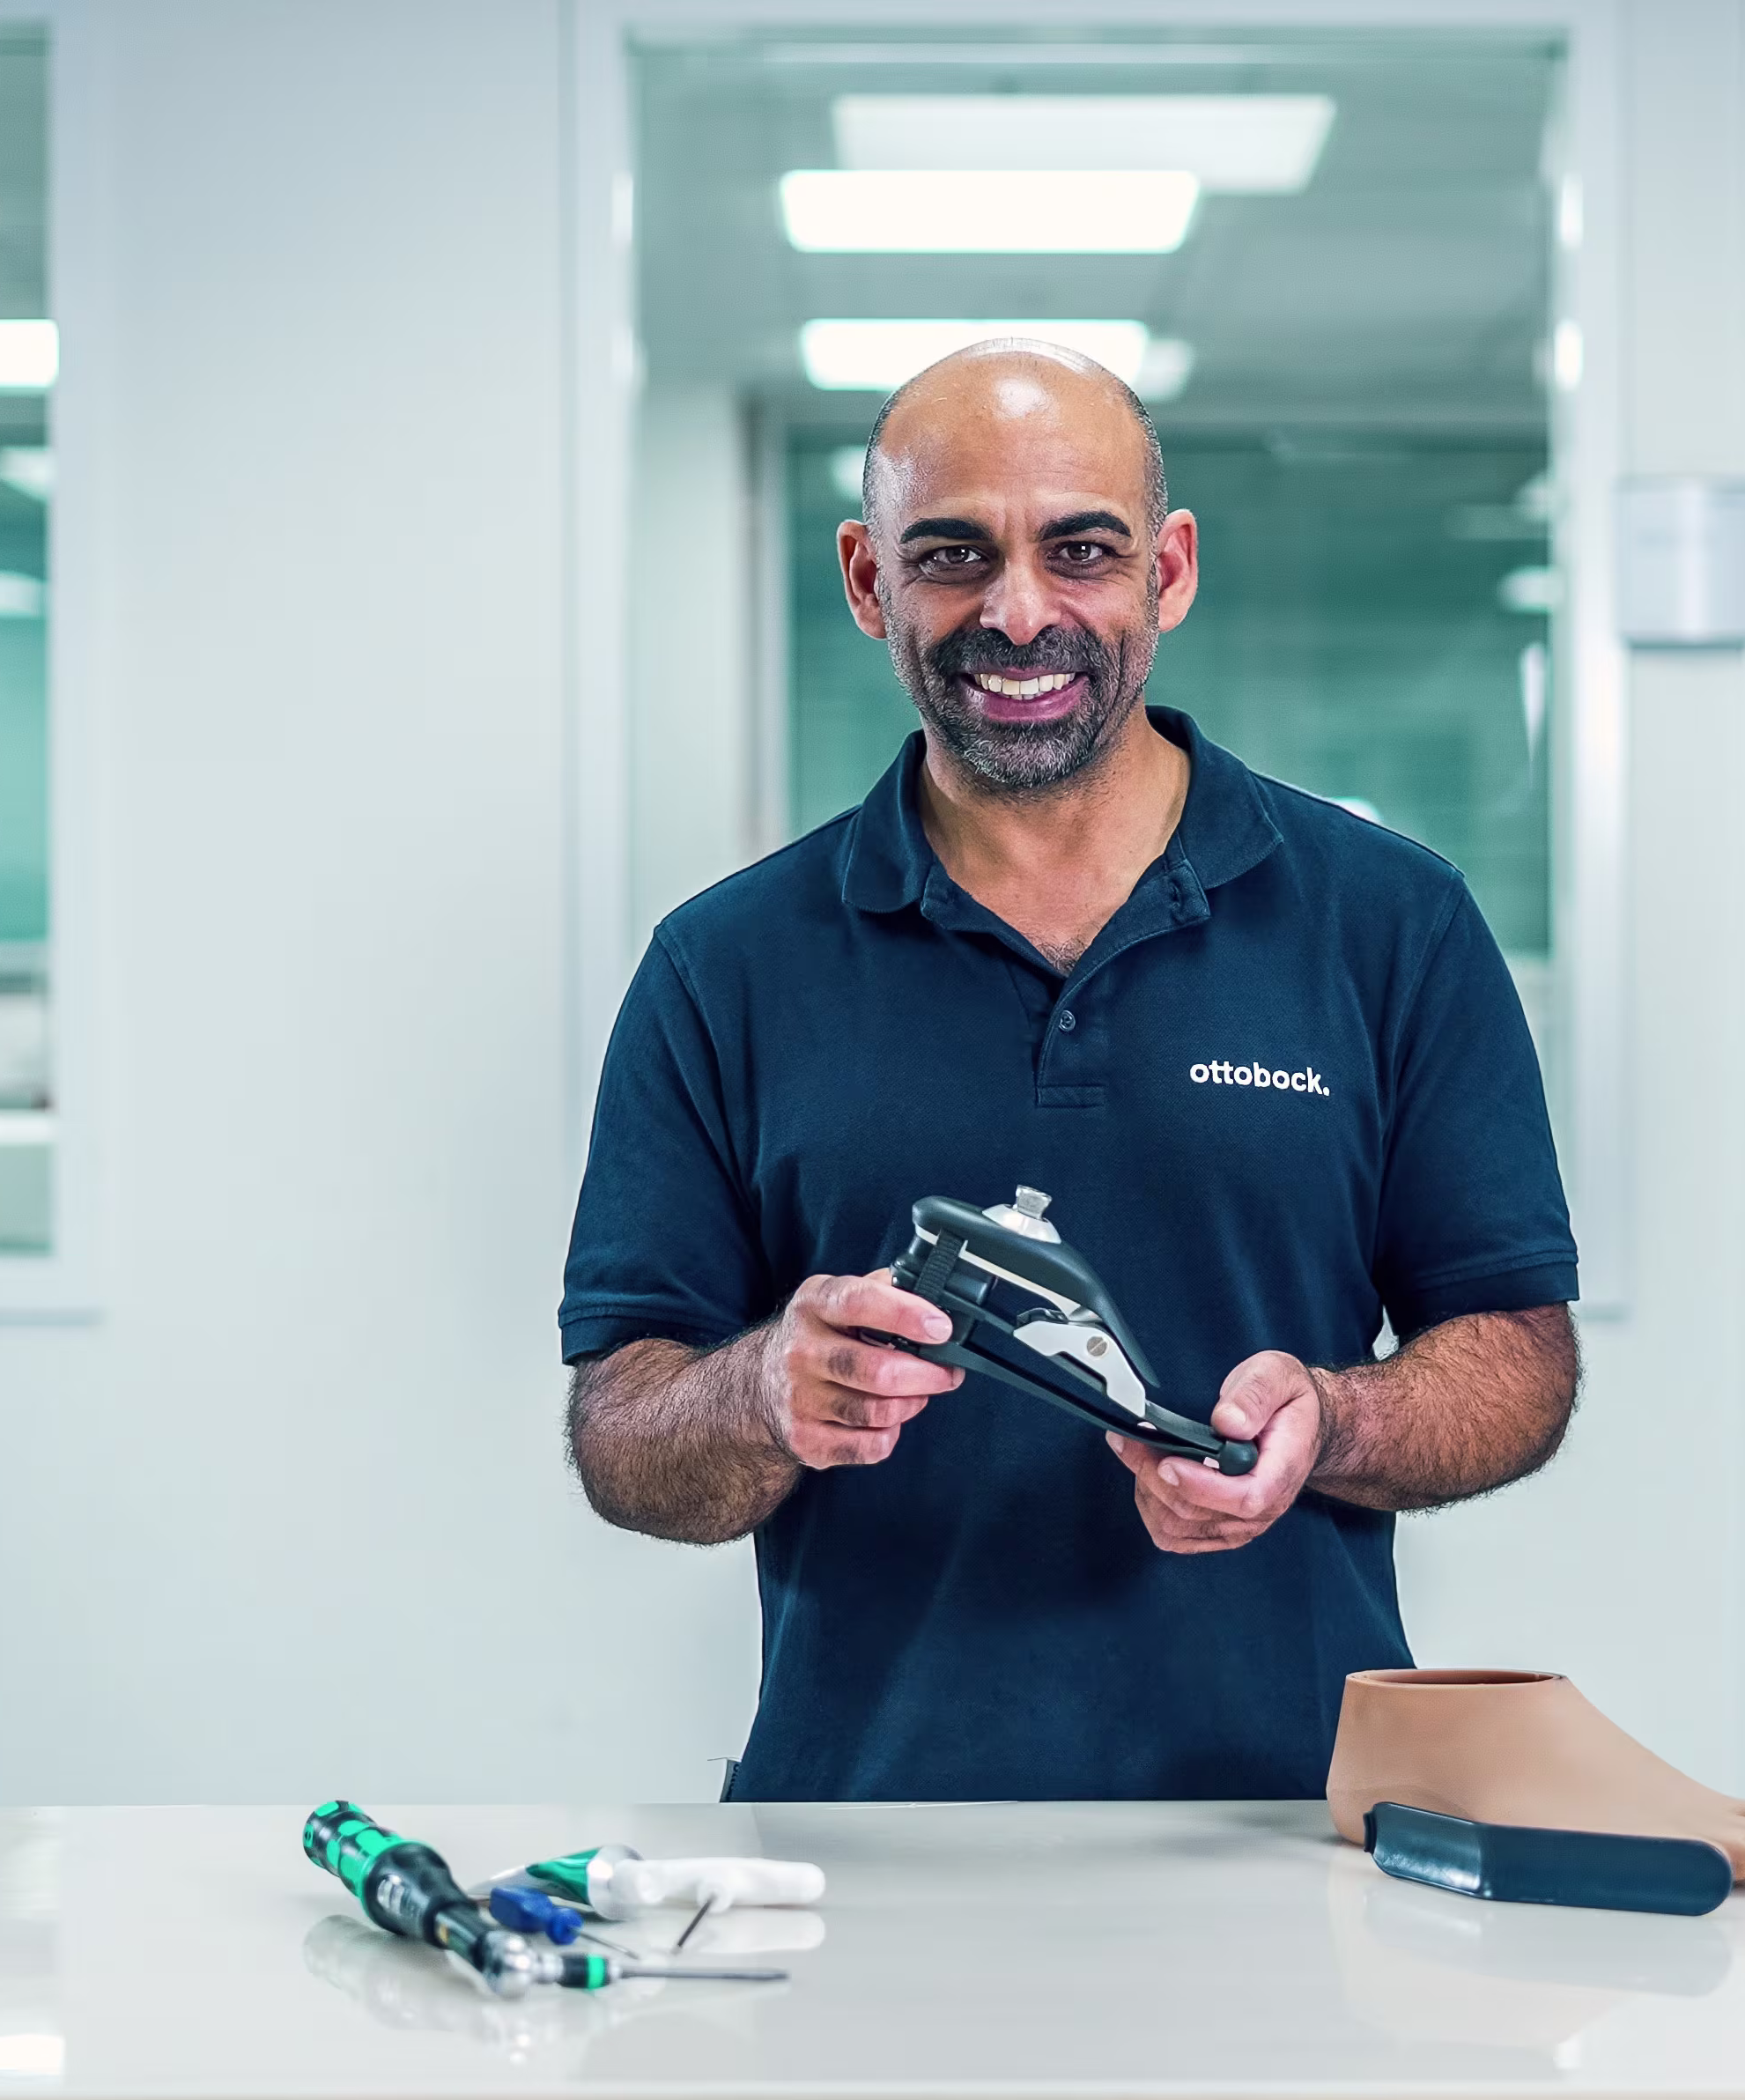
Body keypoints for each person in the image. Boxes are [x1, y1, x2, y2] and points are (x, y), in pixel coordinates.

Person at [558, 340, 1579, 1801]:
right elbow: (622, 1431)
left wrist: (1332, 1421)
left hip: (1283, 1826)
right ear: (867, 582)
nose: (1019, 611)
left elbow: (1516, 1359)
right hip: (865, 1837)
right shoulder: (725, 967)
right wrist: (762, 1390)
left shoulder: (1389, 923)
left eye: (1080, 550)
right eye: (952, 555)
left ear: (1167, 570)